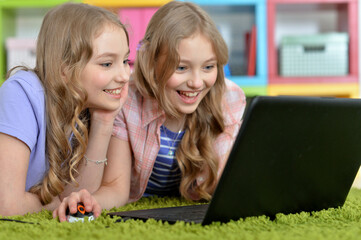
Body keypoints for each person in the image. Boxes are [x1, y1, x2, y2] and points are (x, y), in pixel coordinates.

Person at [54, 1, 246, 222]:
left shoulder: (228, 99)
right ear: (152, 63)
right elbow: (116, 188)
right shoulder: (129, 101)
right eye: (181, 67)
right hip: (144, 204)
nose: (196, 82)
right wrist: (93, 202)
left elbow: (224, 184)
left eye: (208, 67)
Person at [0, 3, 130, 217]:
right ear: (65, 70)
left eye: (125, 61)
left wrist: (104, 122)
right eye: (107, 64)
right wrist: (55, 203)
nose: (124, 75)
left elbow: (78, 198)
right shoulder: (20, 93)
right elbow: (7, 205)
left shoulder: (88, 103)